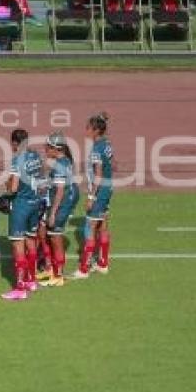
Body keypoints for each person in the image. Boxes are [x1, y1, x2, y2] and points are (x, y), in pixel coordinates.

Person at [0, 128, 45, 301]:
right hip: (35, 203)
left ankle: (20, 288)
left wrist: (7, 186)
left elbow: (13, 188)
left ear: (14, 143)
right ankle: (31, 280)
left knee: (18, 245)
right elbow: (41, 181)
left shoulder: (17, 159)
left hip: (21, 206)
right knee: (31, 241)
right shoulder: (35, 157)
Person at [75, 113, 115, 279]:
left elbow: (98, 173)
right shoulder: (106, 144)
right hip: (108, 188)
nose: (86, 130)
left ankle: (84, 268)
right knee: (103, 225)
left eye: (89, 128)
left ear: (96, 130)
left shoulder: (96, 149)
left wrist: (91, 197)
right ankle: (103, 263)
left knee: (90, 227)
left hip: (100, 192)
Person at [40, 132, 79, 288]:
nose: (45, 149)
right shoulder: (63, 160)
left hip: (61, 202)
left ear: (55, 148)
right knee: (48, 233)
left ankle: (58, 275)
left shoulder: (60, 165)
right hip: (63, 199)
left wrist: (53, 213)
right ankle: (52, 270)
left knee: (55, 237)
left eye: (47, 146)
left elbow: (60, 191)